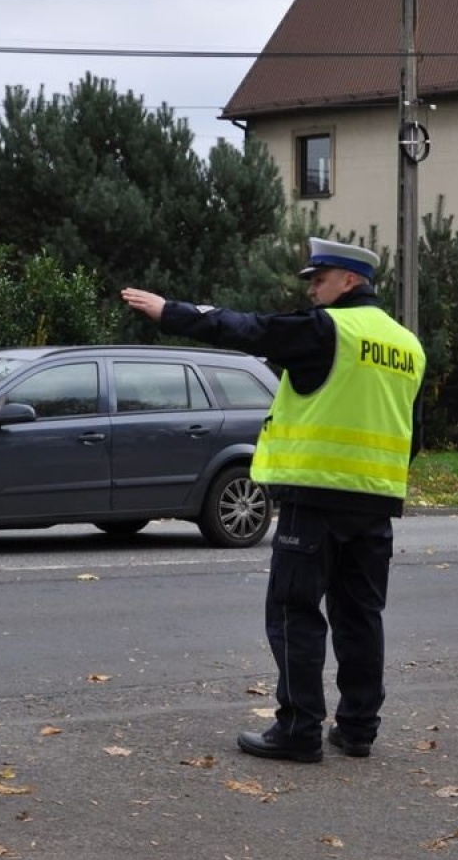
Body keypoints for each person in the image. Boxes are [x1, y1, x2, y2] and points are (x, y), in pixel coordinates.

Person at [121, 238, 426, 763]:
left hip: (315, 496)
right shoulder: (407, 346)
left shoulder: (329, 329)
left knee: (294, 612)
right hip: (375, 502)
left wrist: (171, 312)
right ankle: (358, 729)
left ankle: (299, 729)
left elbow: (247, 328)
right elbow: (412, 434)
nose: (311, 290)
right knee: (360, 617)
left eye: (319, 280)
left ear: (350, 281)